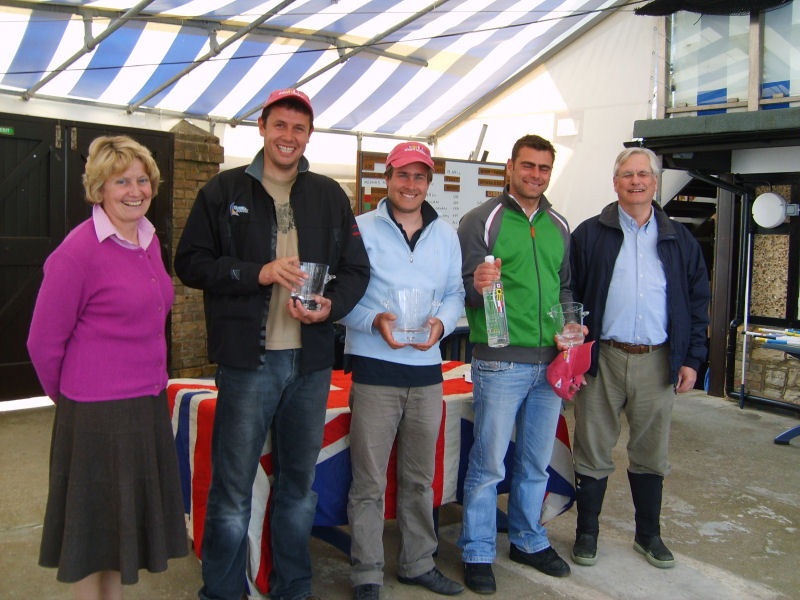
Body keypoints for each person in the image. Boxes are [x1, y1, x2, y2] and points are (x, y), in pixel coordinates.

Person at [174, 88, 370, 600]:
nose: (289, 137)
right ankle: (220, 591)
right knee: (233, 491)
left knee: (298, 489)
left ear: (309, 136)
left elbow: (355, 270)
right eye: (280, 126)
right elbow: (190, 263)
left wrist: (333, 306)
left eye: (299, 129)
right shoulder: (223, 191)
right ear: (261, 128)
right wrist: (254, 272)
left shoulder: (328, 194)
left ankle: (293, 588)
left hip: (311, 363)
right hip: (248, 362)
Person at [27, 135, 188, 599]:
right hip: (97, 414)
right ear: (100, 188)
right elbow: (42, 342)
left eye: (142, 180)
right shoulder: (77, 253)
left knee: (122, 537)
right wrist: (75, 396)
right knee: (93, 537)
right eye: (121, 181)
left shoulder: (148, 239)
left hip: (145, 403)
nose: (135, 190)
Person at [569, 147, 710, 569]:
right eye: (627, 175)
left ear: (655, 182)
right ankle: (586, 533)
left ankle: (649, 535)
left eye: (643, 175)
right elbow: (570, 294)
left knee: (651, 452)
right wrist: (574, 354)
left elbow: (698, 300)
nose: (635, 181)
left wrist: (693, 358)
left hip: (657, 358)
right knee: (592, 447)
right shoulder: (589, 234)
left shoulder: (679, 238)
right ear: (615, 183)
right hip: (603, 357)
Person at [340, 142, 466, 600]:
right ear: (386, 178)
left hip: (427, 372)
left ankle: (417, 563)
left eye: (420, 177)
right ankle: (367, 573)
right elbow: (339, 295)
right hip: (375, 368)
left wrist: (443, 323)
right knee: (369, 481)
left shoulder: (446, 235)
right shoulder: (359, 229)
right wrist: (373, 321)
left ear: (428, 183)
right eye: (402, 175)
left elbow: (454, 293)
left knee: (418, 478)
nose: (410, 185)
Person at [456, 134, 575, 594]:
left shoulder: (559, 225)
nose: (535, 175)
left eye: (544, 168)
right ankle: (477, 549)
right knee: (488, 464)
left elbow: (564, 289)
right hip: (500, 362)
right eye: (528, 166)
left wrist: (570, 326)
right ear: (510, 166)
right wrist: (476, 284)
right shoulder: (480, 220)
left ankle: (527, 538)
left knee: (535, 462)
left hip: (551, 365)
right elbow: (461, 287)